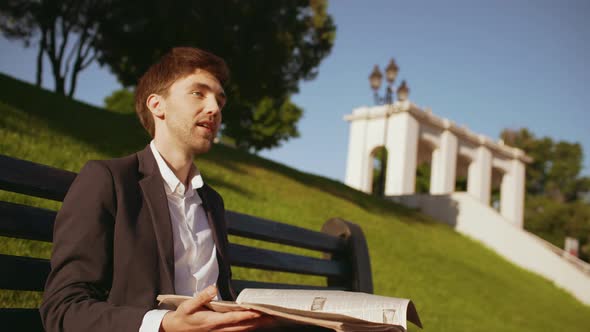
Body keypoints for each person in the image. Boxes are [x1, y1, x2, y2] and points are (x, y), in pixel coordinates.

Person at [40, 47, 274, 332]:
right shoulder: (109, 180)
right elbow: (63, 307)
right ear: (157, 105)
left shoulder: (212, 202)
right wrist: (162, 324)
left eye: (219, 101)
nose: (214, 108)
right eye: (198, 93)